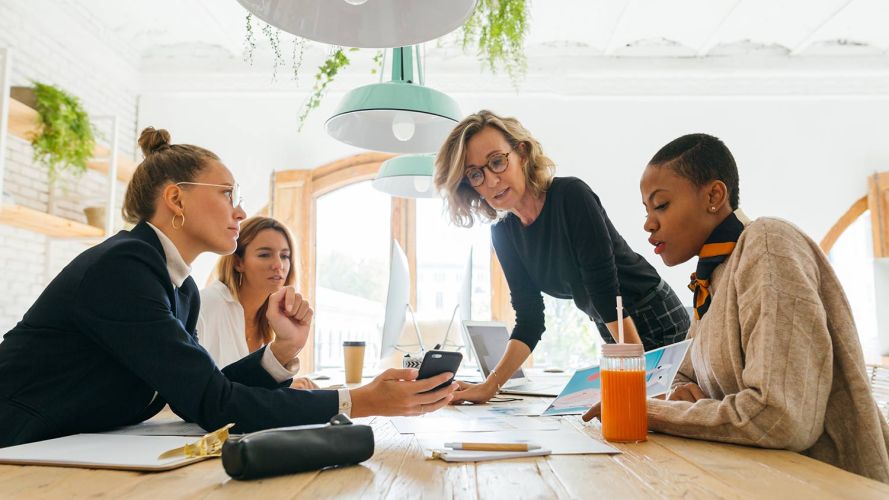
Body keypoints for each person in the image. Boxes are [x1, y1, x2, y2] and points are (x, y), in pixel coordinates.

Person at [0, 127, 456, 448]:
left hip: (66, 447)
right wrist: (359, 401)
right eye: (227, 194)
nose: (240, 212)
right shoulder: (123, 268)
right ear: (176, 199)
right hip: (18, 445)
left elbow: (198, 391)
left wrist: (280, 351)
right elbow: (213, 403)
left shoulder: (180, 288)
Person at [584, 133, 889, 483]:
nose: (648, 224)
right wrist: (679, 397)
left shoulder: (769, 244)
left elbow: (781, 418)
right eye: (647, 210)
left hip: (830, 483)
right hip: (758, 478)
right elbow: (684, 375)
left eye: (662, 205)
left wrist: (647, 412)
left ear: (714, 196)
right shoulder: (712, 274)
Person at [434, 110, 689, 405]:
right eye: (476, 174)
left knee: (666, 416)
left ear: (522, 153)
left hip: (654, 315)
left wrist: (635, 375)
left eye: (497, 161)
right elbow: (530, 320)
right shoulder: (504, 234)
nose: (491, 180)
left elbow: (605, 291)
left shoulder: (571, 196)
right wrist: (490, 386)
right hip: (613, 329)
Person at [198, 216, 317, 390]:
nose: (279, 265)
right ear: (239, 262)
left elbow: (248, 384)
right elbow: (203, 391)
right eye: (264, 255)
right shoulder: (205, 305)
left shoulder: (271, 317)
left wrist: (283, 388)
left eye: (285, 256)